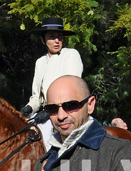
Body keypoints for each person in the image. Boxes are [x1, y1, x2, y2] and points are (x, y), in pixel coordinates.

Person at [20, 17, 84, 147]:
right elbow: (37, 97)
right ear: (43, 40)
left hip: (66, 111)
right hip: (43, 113)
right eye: (52, 37)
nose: (57, 40)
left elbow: (71, 89)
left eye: (59, 37)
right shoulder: (40, 62)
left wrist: (50, 111)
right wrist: (29, 108)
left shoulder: (70, 55)